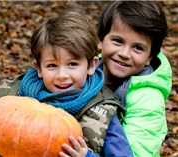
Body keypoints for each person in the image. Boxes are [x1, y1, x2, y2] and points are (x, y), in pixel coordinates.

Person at [0, 11, 132, 157]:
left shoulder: (101, 109)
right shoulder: (21, 93)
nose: (62, 75)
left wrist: (86, 156)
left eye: (72, 64)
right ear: (38, 68)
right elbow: (7, 136)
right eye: (52, 66)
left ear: (91, 65)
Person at [60, 1, 172, 157]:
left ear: (149, 57)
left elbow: (135, 154)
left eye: (138, 48)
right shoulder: (84, 71)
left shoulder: (148, 100)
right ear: (101, 39)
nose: (125, 53)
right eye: (118, 41)